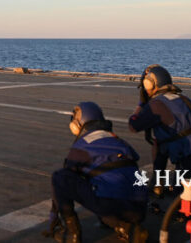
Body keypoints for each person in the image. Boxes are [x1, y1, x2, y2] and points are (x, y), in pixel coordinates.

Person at [47, 102, 148, 243]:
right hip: (141, 206)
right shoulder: (119, 141)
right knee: (104, 179)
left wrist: (53, 218)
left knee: (60, 178)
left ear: (78, 124)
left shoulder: (80, 147)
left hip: (111, 205)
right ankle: (127, 227)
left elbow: (65, 179)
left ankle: (72, 234)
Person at [128, 65, 191, 186]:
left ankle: (160, 185)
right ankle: (158, 183)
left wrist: (141, 104)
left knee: (181, 198)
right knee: (160, 143)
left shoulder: (156, 104)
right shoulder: (183, 98)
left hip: (190, 157)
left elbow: (133, 126)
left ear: (150, 84)